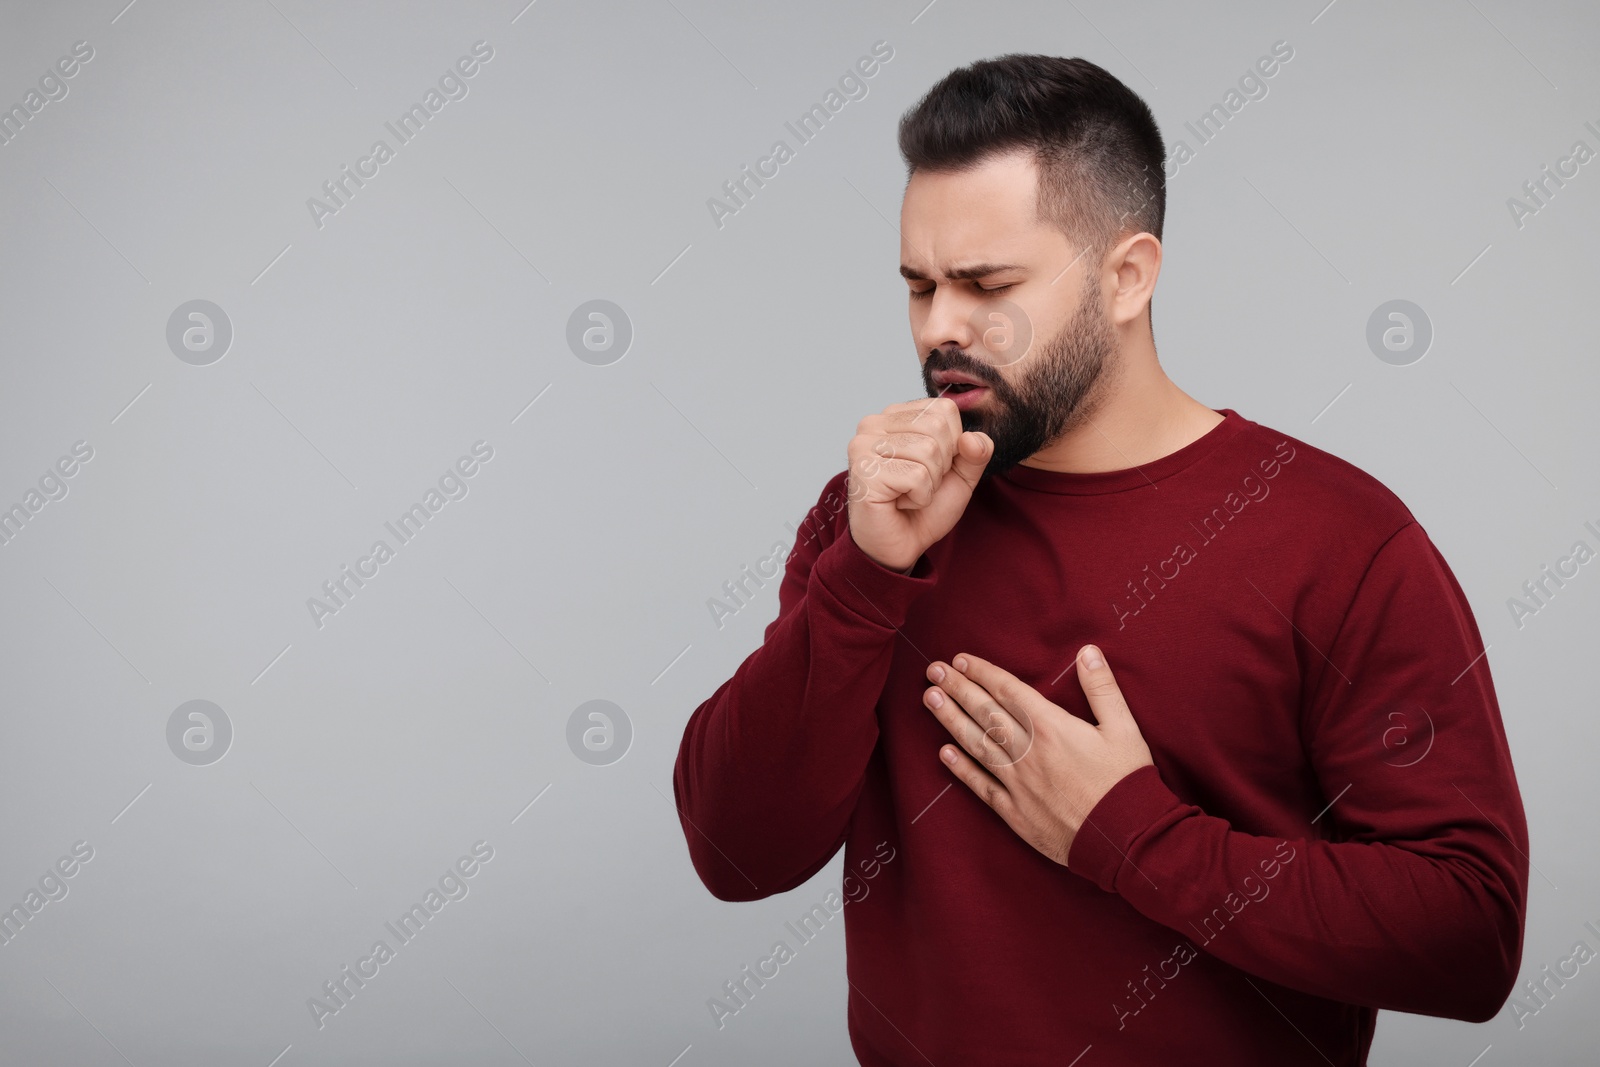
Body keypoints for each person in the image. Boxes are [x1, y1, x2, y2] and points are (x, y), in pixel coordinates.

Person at [672, 53, 1527, 1065]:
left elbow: (1468, 935)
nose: (939, 327)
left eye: (986, 285)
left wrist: (1128, 834)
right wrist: (863, 575)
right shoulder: (874, 517)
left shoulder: (1338, 540)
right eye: (918, 286)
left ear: (1126, 275)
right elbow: (737, 853)